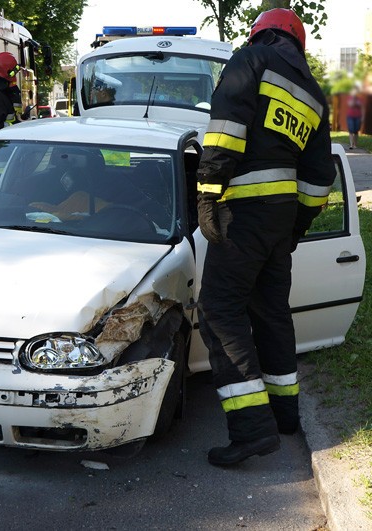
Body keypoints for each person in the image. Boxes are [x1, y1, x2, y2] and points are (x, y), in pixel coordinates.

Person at [195, 9, 335, 467]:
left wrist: (208, 196)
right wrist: (295, 228)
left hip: (242, 215)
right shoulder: (314, 95)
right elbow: (318, 177)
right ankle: (284, 414)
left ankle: (252, 429)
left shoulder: (251, 59)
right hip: (279, 222)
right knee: (272, 312)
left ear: (261, 33)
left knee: (218, 309)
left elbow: (226, 132)